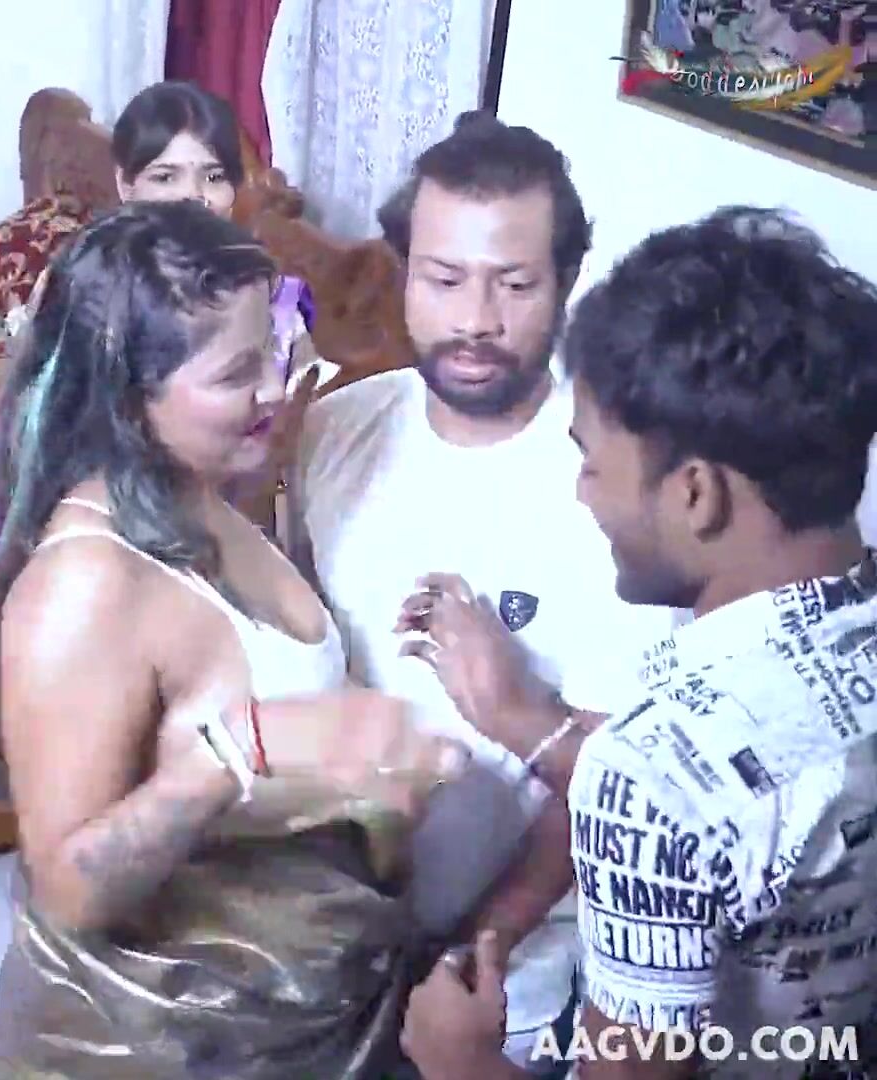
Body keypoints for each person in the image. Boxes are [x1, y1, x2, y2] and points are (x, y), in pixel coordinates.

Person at [0, 199, 468, 1079]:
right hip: (166, 1045)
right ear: (132, 400)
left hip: (296, 1006)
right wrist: (240, 750)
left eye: (271, 351)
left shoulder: (201, 491)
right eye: (238, 372)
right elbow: (71, 888)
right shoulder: (84, 583)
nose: (276, 388)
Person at [400, 208, 877, 1076]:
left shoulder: (647, 773)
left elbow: (674, 792)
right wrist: (533, 722)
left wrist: (458, 1058)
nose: (582, 493)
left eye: (590, 461)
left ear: (695, 494)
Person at [285, 112, 681, 1074]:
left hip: (500, 991)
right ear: (404, 273)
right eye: (444, 278)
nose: (475, 320)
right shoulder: (335, 427)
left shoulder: (614, 488)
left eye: (514, 284)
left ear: (566, 282)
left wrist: (477, 946)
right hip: (330, 947)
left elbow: (619, 790)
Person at [0, 80, 322, 555]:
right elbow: (28, 411)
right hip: (98, 529)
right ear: (126, 184)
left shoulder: (276, 300)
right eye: (166, 177)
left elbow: (294, 440)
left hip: (231, 533)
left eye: (214, 176)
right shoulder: (85, 282)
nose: (192, 196)